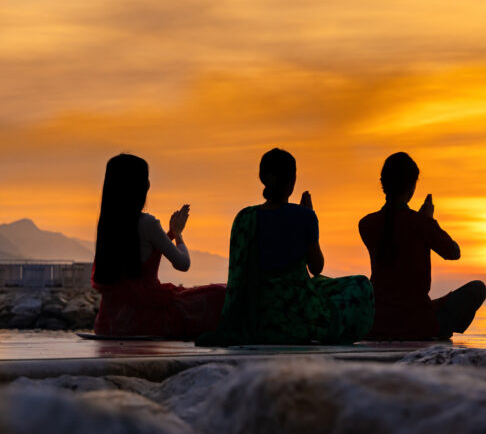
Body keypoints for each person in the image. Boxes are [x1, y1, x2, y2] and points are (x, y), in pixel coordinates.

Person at [197, 148, 373, 345]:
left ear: (263, 178)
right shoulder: (304, 216)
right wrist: (309, 217)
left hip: (256, 318)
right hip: (298, 317)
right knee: (360, 285)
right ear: (292, 182)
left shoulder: (244, 218)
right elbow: (316, 268)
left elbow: (238, 276)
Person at [92, 154, 226, 339]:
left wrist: (169, 234)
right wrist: (178, 234)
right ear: (140, 187)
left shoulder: (107, 226)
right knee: (222, 293)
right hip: (146, 321)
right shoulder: (147, 223)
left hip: (108, 324)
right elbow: (182, 263)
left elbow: (147, 247)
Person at [359, 152, 486, 340]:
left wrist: (422, 223)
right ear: (412, 187)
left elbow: (396, 230)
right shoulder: (421, 223)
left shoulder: (366, 224)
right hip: (418, 325)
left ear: (383, 184)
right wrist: (429, 220)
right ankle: (442, 329)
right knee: (478, 288)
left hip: (379, 322)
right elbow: (453, 252)